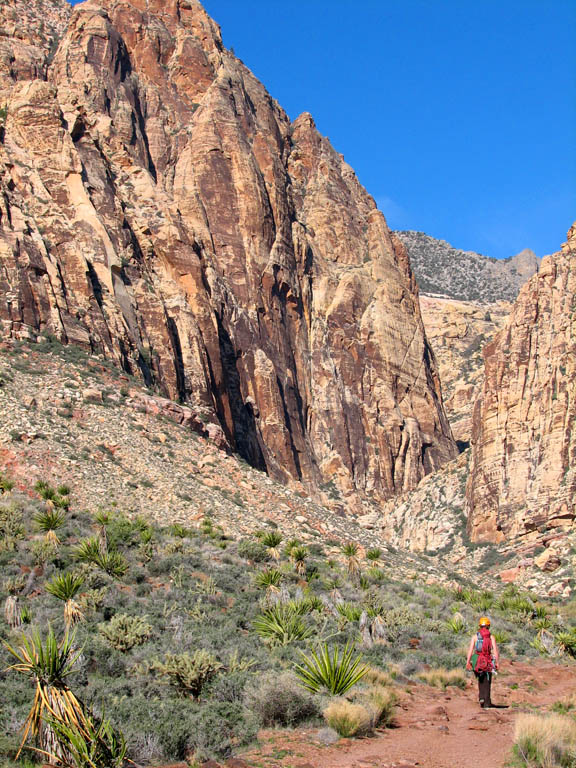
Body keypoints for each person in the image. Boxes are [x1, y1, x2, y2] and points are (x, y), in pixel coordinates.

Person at [466, 616, 499, 708]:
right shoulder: (491, 637)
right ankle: (487, 703)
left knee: (480, 679)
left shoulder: (475, 637)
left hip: (477, 660)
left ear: (480, 626)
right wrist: (497, 662)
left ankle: (481, 697)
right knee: (487, 681)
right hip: (488, 660)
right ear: (488, 626)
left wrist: (468, 661)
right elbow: (495, 651)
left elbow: (470, 650)